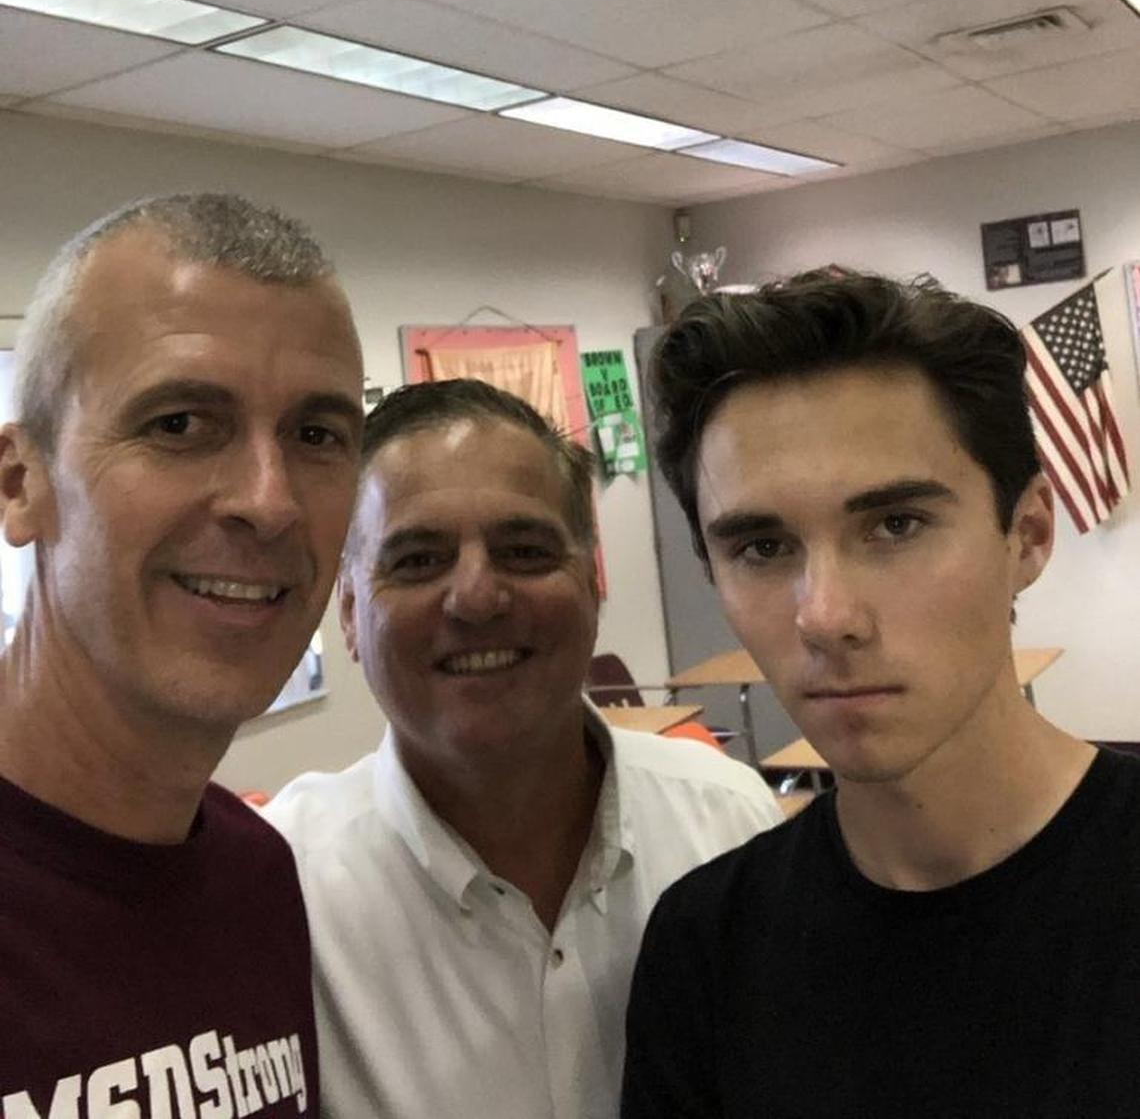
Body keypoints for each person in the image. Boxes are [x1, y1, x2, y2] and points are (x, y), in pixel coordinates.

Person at [622, 269, 1140, 1119]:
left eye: (896, 525)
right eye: (761, 547)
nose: (825, 617)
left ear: (1030, 534)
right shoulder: (707, 949)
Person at [267, 378, 783, 1119]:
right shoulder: (284, 896)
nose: (476, 597)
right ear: (349, 613)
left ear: (592, 583)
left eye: (524, 549)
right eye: (417, 560)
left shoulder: (730, 823)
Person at [0, 193, 365, 1118]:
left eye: (317, 435)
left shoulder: (256, 877)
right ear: (19, 484)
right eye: (178, 425)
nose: (269, 501)